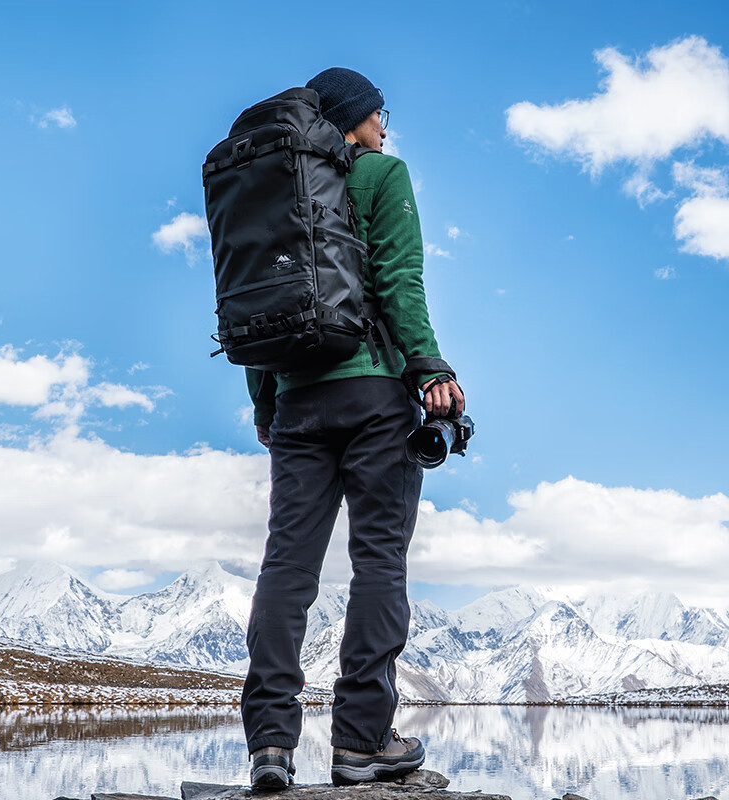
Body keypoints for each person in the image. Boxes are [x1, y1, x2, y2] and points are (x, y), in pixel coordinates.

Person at [240, 67, 465, 789]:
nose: (384, 128)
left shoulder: (272, 187)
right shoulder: (379, 176)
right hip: (373, 392)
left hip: (296, 399)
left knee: (287, 567)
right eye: (377, 114)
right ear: (351, 119)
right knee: (379, 562)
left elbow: (260, 306)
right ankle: (362, 743)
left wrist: (266, 406)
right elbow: (400, 281)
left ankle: (270, 746)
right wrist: (428, 366)